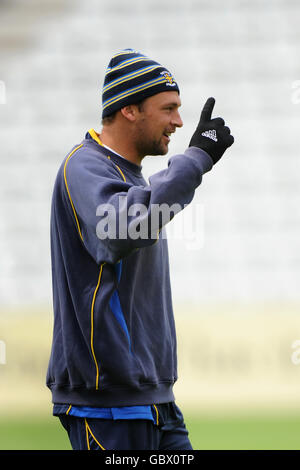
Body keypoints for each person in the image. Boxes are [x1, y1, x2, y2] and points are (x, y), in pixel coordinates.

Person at [46, 48, 234, 451]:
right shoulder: (84, 167)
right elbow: (125, 227)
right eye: (168, 108)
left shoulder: (128, 176)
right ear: (130, 110)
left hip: (153, 399)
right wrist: (196, 159)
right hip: (108, 404)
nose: (179, 122)